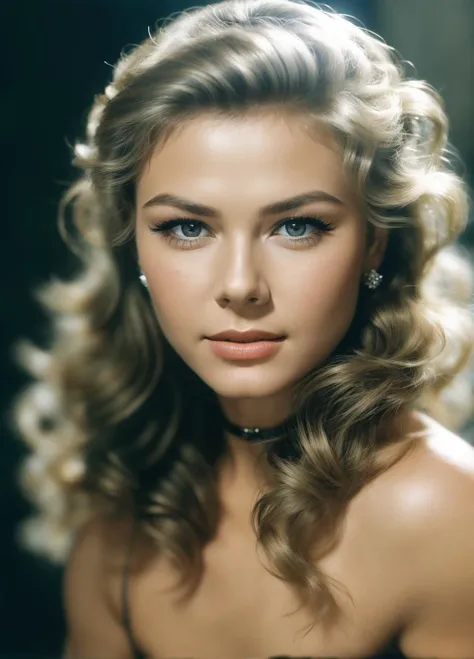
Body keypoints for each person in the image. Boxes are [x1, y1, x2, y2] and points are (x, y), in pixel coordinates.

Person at [12, 0, 474, 657]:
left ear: (374, 241)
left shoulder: (449, 513)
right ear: (133, 244)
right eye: (187, 227)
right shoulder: (115, 536)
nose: (239, 285)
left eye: (297, 225)